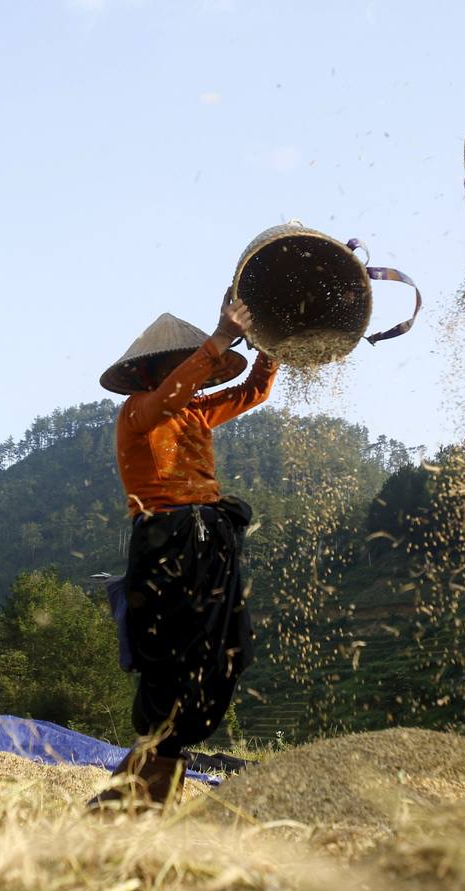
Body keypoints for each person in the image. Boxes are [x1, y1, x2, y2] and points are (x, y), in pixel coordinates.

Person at [88, 292, 278, 812]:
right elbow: (171, 397)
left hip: (211, 540)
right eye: (184, 361)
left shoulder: (195, 411)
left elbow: (255, 391)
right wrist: (219, 338)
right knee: (167, 660)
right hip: (165, 541)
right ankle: (142, 785)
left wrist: (272, 345)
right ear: (154, 371)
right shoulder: (139, 412)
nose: (196, 370)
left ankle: (156, 772)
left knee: (226, 655)